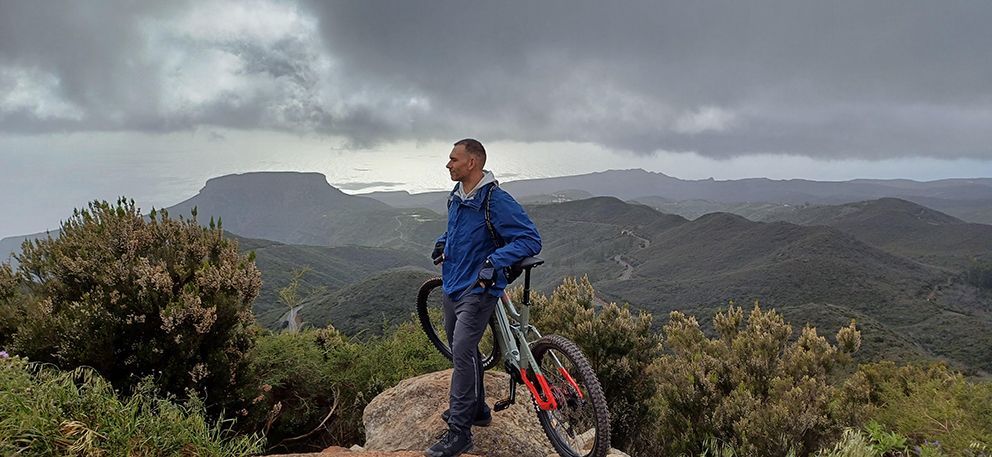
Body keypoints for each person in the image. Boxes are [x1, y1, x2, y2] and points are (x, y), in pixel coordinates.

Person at [425, 138, 542, 457]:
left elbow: (530, 240)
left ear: (472, 163)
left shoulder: (496, 200)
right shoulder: (457, 196)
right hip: (452, 286)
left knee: (462, 351)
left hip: (479, 289)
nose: (448, 164)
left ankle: (459, 433)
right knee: (463, 350)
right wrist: (442, 242)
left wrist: (494, 262)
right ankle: (477, 410)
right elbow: (457, 231)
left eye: (453, 159)